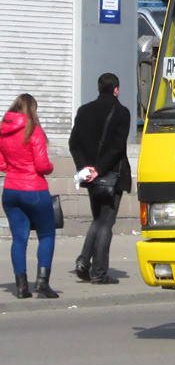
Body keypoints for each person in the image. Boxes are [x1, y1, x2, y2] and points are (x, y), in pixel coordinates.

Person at [69, 72, 132, 284]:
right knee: (107, 222)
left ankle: (83, 261)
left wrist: (85, 169)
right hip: (111, 176)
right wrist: (99, 169)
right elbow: (117, 148)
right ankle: (99, 272)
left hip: (90, 178)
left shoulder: (83, 111)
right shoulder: (121, 112)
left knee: (98, 219)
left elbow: (74, 144)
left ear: (99, 88)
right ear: (116, 89)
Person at [0, 94, 59, 299]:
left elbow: (1, 164)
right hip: (34, 189)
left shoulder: (3, 131)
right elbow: (42, 166)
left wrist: (13, 169)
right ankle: (42, 282)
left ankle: (21, 287)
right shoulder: (34, 131)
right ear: (32, 109)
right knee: (46, 235)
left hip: (10, 190)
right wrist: (51, 167)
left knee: (19, 239)